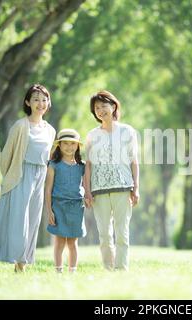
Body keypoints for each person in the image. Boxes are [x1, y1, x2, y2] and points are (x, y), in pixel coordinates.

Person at [0, 84, 56, 272]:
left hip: (40, 175)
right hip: (21, 174)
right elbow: (6, 155)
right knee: (20, 219)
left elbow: (49, 157)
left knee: (34, 218)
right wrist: (11, 175)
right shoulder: (20, 126)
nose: (40, 103)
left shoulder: (50, 130)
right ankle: (18, 263)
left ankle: (24, 261)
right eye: (35, 99)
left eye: (44, 99)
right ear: (28, 102)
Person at [84, 90, 139, 271]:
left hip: (123, 187)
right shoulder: (92, 135)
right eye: (96, 108)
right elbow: (88, 165)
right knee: (105, 235)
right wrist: (87, 190)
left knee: (122, 233)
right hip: (99, 191)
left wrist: (136, 188)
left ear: (113, 106)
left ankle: (121, 268)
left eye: (103, 106)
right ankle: (109, 268)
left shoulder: (127, 131)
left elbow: (134, 161)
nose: (100, 111)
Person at [45, 129, 87, 273]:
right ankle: (58, 270)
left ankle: (72, 270)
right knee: (60, 240)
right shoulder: (53, 165)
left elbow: (86, 185)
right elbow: (48, 189)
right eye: (65, 144)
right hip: (58, 206)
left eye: (73, 144)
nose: (69, 147)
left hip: (76, 206)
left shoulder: (82, 165)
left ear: (77, 146)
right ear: (59, 146)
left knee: (73, 242)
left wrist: (87, 196)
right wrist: (49, 210)